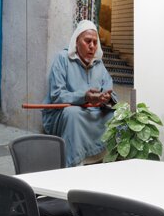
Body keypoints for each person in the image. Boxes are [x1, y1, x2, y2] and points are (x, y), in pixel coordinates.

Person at [42, 20, 117, 166]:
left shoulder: (99, 64)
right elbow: (57, 95)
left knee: (115, 116)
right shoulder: (62, 59)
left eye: (95, 42)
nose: (92, 46)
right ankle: (75, 164)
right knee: (73, 114)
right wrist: (85, 96)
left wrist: (106, 98)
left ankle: (106, 160)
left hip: (92, 111)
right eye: (87, 41)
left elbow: (109, 89)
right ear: (76, 42)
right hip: (63, 112)